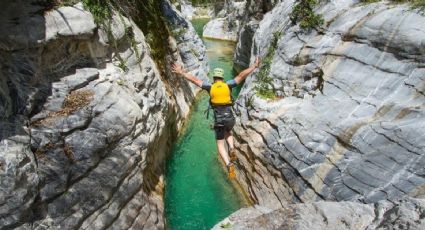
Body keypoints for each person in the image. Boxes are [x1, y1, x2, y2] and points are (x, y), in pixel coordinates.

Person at [172, 57, 260, 178]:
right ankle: (232, 148)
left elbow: (195, 80)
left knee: (219, 144)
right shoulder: (228, 85)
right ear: (222, 77)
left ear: (214, 77)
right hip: (230, 118)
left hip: (219, 121)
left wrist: (181, 73)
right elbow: (241, 75)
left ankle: (229, 164)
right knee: (228, 132)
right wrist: (254, 66)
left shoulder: (209, 87)